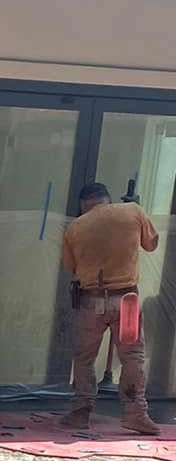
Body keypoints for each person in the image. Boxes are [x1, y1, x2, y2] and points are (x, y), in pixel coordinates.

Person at [60, 182, 161, 434]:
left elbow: (71, 266)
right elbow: (152, 244)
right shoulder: (132, 211)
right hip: (126, 300)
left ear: (84, 205)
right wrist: (134, 209)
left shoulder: (74, 227)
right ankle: (136, 413)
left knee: (84, 358)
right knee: (132, 356)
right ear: (108, 198)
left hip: (89, 301)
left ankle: (80, 412)